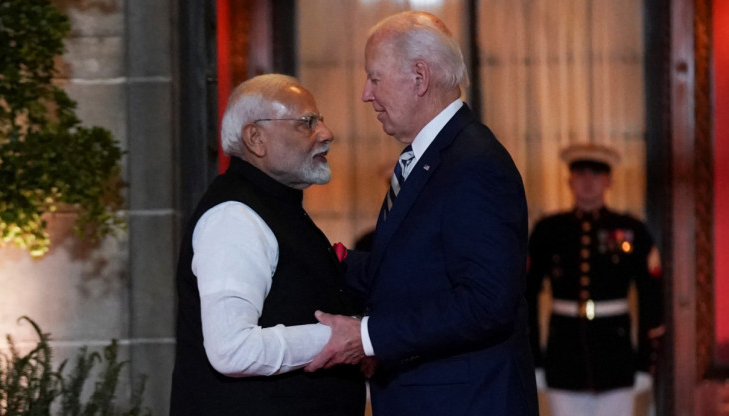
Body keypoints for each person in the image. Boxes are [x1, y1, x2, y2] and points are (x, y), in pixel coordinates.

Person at [305, 11, 539, 416]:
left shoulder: (474, 163)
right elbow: (410, 272)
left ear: (419, 76)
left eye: (374, 78)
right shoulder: (432, 156)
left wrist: (366, 337)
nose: (365, 93)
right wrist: (314, 257)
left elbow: (486, 304)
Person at [169, 74, 365, 415]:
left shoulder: (276, 206)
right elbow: (232, 349)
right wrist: (338, 338)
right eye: (307, 123)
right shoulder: (234, 216)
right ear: (255, 138)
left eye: (320, 120)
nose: (325, 133)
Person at [525, 143, 665, 416]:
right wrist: (534, 360)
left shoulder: (631, 230)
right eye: (580, 175)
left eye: (596, 175)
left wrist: (645, 364)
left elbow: (652, 297)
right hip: (563, 359)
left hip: (616, 360)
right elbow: (526, 295)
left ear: (609, 181)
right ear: (569, 181)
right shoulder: (548, 231)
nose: (588, 182)